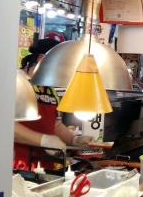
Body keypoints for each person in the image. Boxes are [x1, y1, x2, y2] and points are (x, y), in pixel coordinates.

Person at [14, 39, 93, 170]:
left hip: (45, 166)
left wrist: (73, 139)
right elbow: (6, 127)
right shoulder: (17, 82)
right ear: (40, 59)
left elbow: (54, 123)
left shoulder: (48, 86)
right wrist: (42, 140)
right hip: (18, 166)